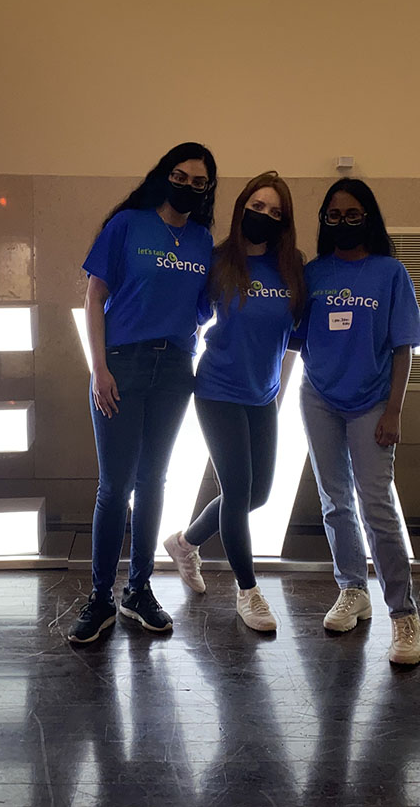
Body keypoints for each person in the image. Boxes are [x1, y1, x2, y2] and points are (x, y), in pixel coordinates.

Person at [67, 142, 217, 644]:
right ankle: (100, 598)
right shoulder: (127, 225)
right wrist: (99, 368)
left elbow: (200, 307)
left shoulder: (201, 240)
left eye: (199, 182)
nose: (189, 187)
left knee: (154, 481)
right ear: (163, 176)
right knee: (114, 487)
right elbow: (94, 296)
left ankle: (138, 590)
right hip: (122, 365)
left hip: (174, 368)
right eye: (181, 176)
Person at [163, 171, 304, 632]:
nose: (264, 215)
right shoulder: (220, 261)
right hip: (218, 390)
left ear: (284, 221)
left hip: (263, 396)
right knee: (239, 491)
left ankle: (185, 542)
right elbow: (188, 314)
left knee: (257, 495)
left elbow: (291, 338)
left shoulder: (291, 266)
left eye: (275, 211)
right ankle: (248, 591)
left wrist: (277, 390)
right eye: (257, 207)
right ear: (242, 207)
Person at [297, 178, 420, 665]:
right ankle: (353, 589)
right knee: (334, 500)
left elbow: (403, 347)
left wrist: (394, 409)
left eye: (353, 214)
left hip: (373, 402)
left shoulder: (390, 272)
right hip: (319, 398)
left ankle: (404, 615)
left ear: (368, 218)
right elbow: (292, 336)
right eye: (334, 215)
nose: (343, 222)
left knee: (376, 506)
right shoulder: (313, 273)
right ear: (324, 220)